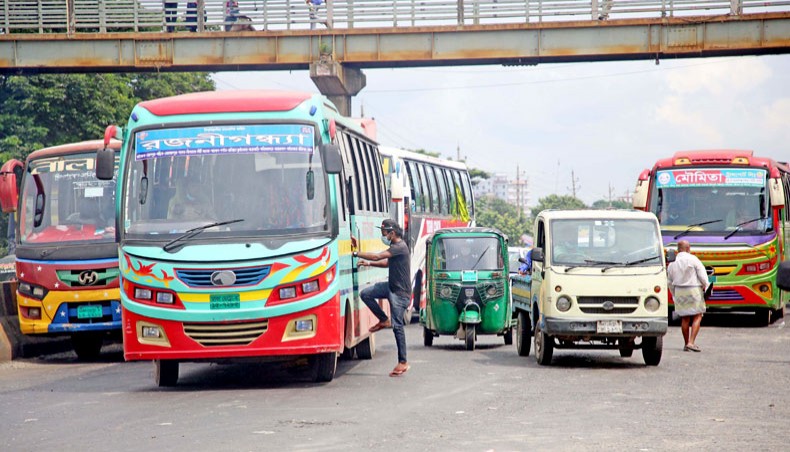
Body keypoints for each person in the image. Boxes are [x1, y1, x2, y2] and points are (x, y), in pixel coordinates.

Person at [352, 219, 411, 377]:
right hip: (391, 287)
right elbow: (386, 263)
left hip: (400, 293)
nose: (383, 236)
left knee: (398, 327)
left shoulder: (399, 247)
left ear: (392, 233)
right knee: (366, 294)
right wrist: (368, 263)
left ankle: (403, 362)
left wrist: (356, 253)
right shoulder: (395, 248)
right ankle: (384, 319)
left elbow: (378, 257)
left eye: (384, 233)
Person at [667, 240, 709, 352]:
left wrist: (674, 294)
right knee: (698, 315)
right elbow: (703, 276)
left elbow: (669, 282)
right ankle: (691, 342)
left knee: (685, 318)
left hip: (679, 290)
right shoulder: (693, 259)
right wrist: (707, 286)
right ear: (688, 248)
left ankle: (686, 344)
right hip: (694, 289)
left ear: (678, 249)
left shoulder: (672, 263)